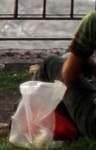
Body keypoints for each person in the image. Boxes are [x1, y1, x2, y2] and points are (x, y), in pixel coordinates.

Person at [35, 8, 96, 137]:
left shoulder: (93, 20)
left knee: (51, 64)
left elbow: (68, 75)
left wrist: (82, 61)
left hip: (93, 123)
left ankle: (18, 125)